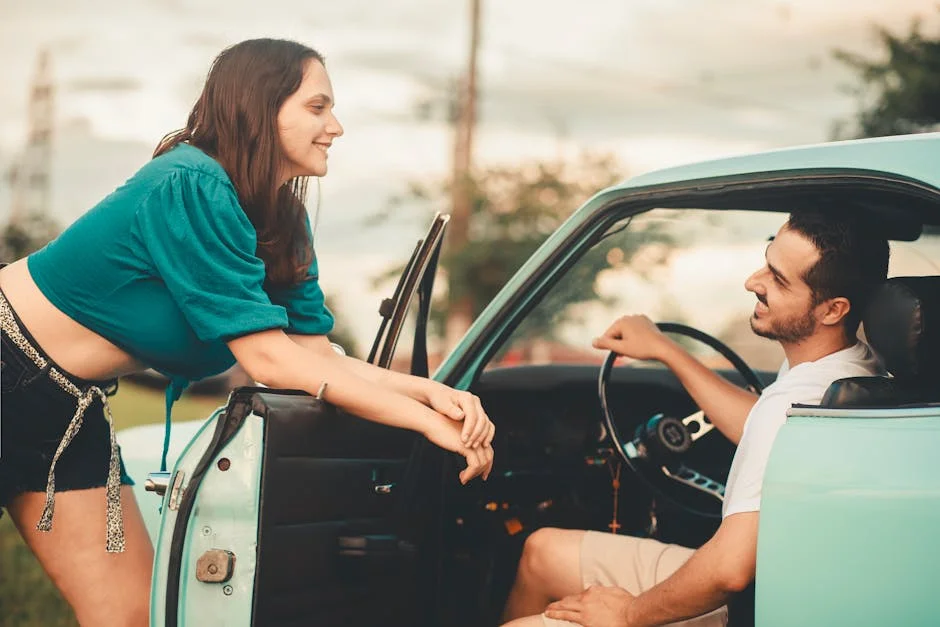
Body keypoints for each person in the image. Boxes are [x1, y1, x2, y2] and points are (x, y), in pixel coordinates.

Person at [0, 38, 495, 627]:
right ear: (262, 107)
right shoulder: (191, 183)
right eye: (318, 107)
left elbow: (315, 357)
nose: (335, 126)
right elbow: (270, 361)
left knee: (129, 613)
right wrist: (426, 425)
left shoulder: (283, 218)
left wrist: (431, 394)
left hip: (64, 406)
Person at [501, 210, 889, 627]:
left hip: (751, 607)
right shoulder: (846, 369)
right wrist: (666, 351)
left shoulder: (796, 403)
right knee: (542, 552)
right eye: (766, 261)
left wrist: (628, 614)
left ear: (833, 310)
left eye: (777, 280)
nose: (753, 281)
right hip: (774, 586)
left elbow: (729, 569)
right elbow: (757, 424)